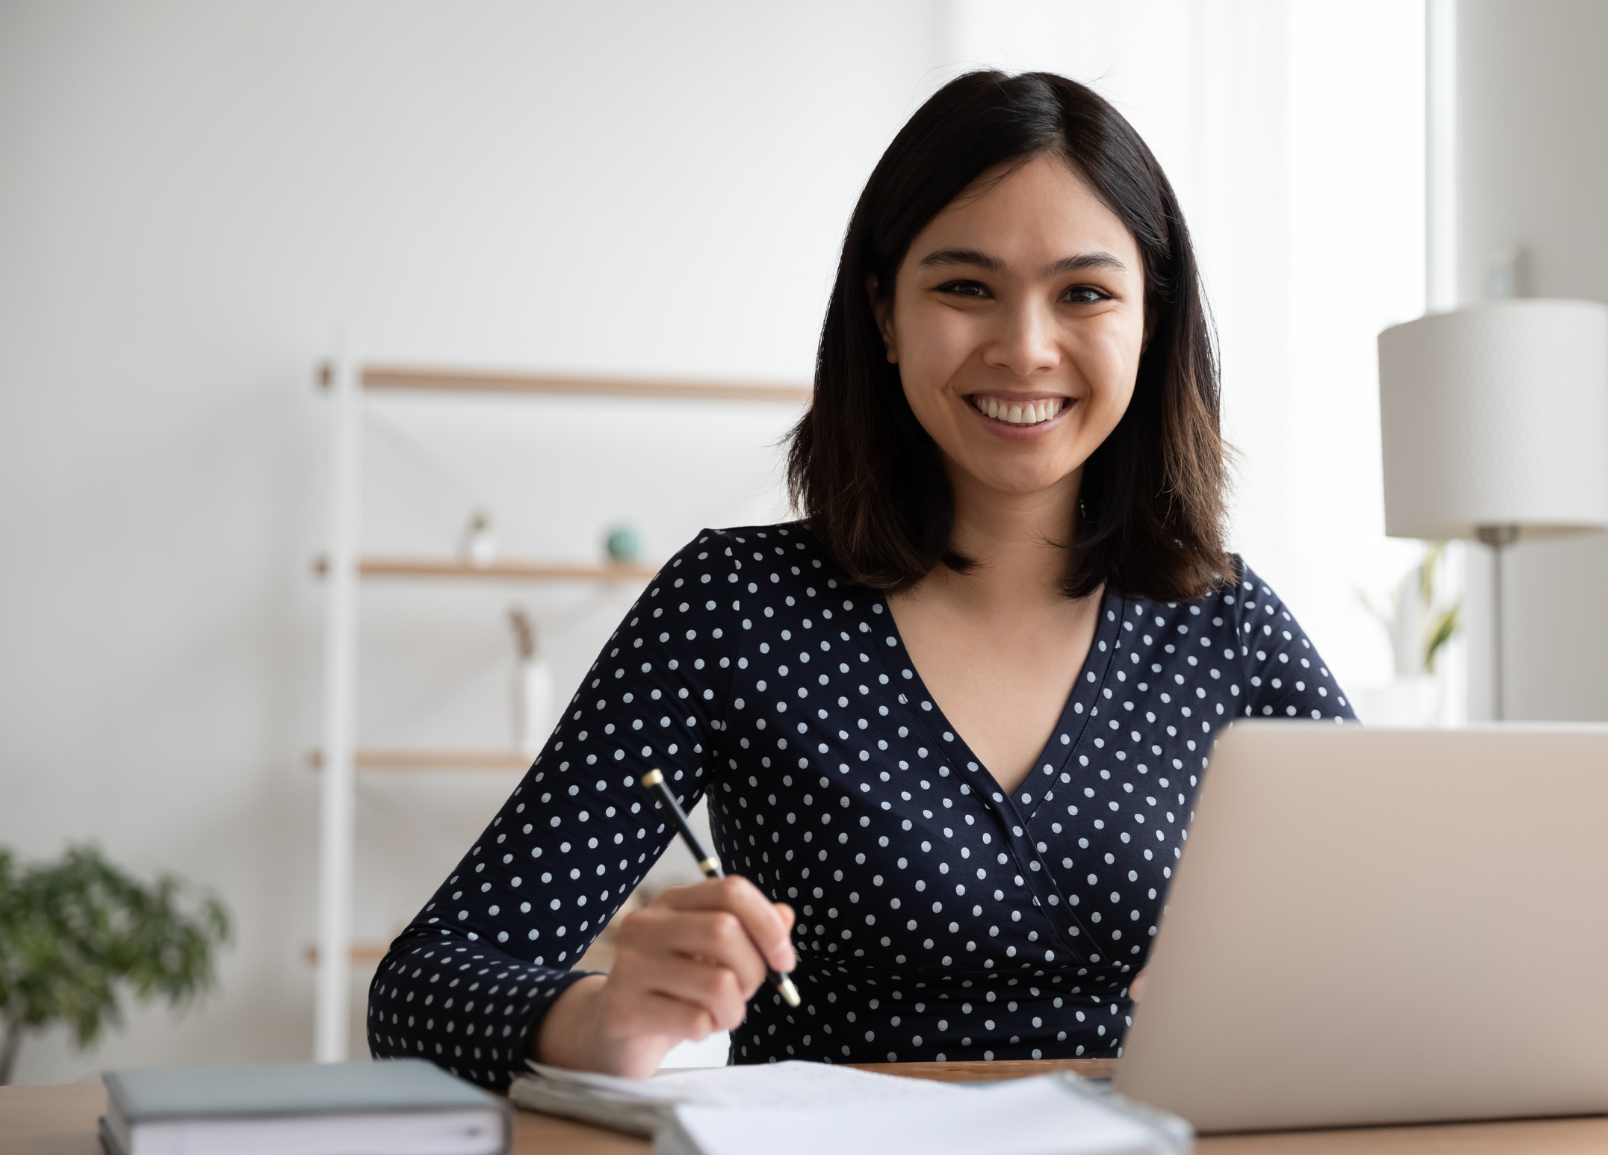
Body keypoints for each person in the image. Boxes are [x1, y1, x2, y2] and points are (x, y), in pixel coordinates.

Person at [367, 70, 1353, 1088]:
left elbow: (1416, 944)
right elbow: (418, 989)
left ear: (1150, 322)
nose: (1024, 347)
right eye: (965, 287)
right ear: (883, 313)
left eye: (1085, 293)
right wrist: (598, 1019)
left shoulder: (1224, 626)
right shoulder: (732, 606)